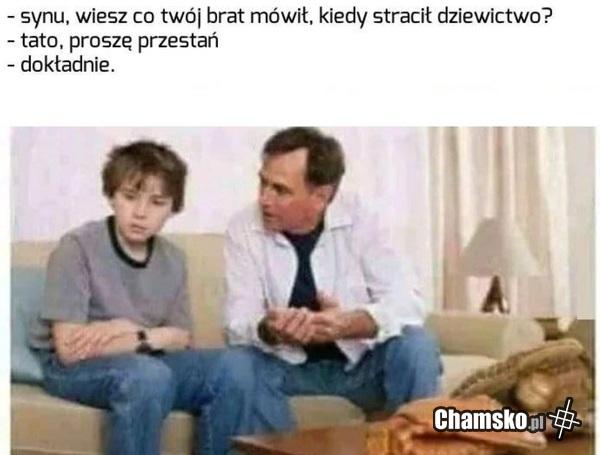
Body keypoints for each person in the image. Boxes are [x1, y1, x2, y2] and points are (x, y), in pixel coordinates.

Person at [30, 140, 253, 455]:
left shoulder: (173, 259)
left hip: (147, 364)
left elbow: (181, 339)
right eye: (129, 196)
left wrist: (127, 329)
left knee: (236, 366)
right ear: (112, 196)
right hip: (75, 370)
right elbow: (69, 350)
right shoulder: (77, 247)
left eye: (157, 202)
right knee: (148, 376)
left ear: (172, 208)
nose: (140, 213)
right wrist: (152, 336)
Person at [223, 127, 441, 432]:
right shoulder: (243, 228)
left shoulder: (363, 217)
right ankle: (277, 450)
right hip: (285, 370)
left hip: (359, 368)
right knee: (238, 364)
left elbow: (409, 302)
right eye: (263, 182)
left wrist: (349, 324)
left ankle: (414, 447)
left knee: (417, 345)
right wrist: (270, 330)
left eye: (280, 190)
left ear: (320, 196)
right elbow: (237, 323)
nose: (264, 199)